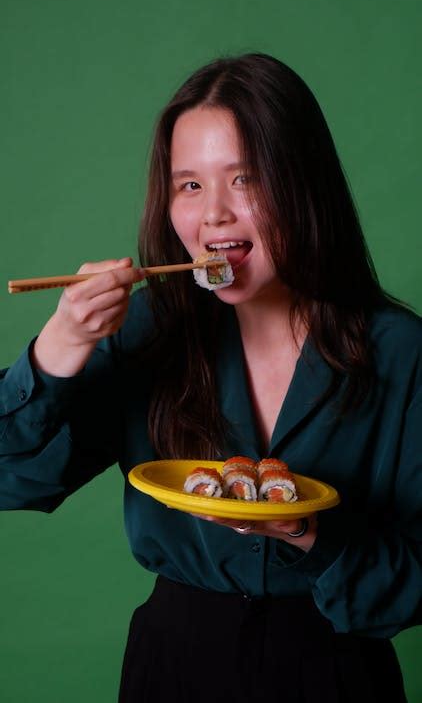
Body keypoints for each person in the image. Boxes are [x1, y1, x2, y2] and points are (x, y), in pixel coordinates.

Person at [1, 53, 421, 703]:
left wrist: (307, 533)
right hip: (173, 668)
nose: (215, 215)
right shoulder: (144, 331)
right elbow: (11, 475)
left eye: (245, 179)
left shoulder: (399, 350)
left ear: (303, 185)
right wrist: (59, 348)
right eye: (189, 185)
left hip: (337, 675)